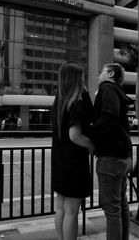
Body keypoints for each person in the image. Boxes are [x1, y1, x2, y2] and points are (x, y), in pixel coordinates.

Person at [86, 63, 134, 240]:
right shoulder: (118, 92)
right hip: (123, 157)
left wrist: (91, 130)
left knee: (112, 210)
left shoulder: (106, 87)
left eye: (102, 71)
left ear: (111, 74)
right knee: (121, 206)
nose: (99, 75)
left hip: (110, 158)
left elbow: (109, 115)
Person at [51, 62, 95, 240]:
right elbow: (75, 135)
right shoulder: (76, 103)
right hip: (74, 163)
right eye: (82, 76)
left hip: (59, 160)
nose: (84, 78)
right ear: (76, 79)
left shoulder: (58, 102)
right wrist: (91, 144)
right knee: (72, 213)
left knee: (61, 207)